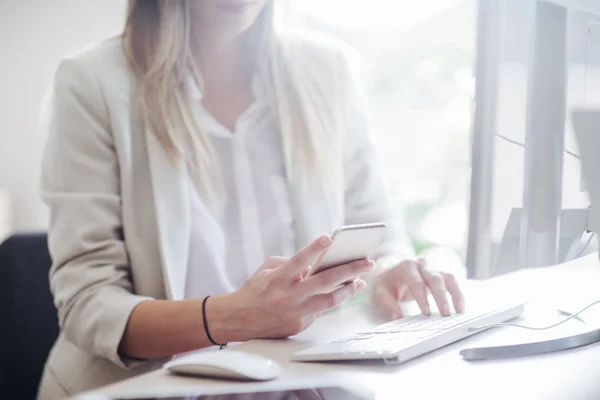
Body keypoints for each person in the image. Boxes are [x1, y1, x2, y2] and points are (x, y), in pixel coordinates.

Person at [37, 1, 465, 398]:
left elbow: (377, 228)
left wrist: (387, 271)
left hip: (298, 383)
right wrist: (234, 316)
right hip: (149, 387)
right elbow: (88, 302)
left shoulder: (329, 69)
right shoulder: (91, 82)